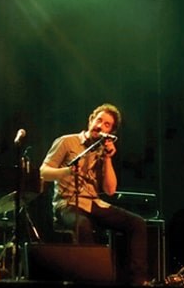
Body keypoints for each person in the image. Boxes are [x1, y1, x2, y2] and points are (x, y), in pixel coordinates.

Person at [39, 103, 149, 286]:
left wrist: (107, 159)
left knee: (137, 223)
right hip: (67, 203)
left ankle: (137, 281)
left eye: (107, 125)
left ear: (111, 132)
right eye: (99, 120)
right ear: (91, 120)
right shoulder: (67, 141)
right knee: (82, 225)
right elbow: (43, 172)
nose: (101, 125)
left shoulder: (101, 152)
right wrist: (67, 172)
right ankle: (90, 280)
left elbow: (110, 190)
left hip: (93, 203)